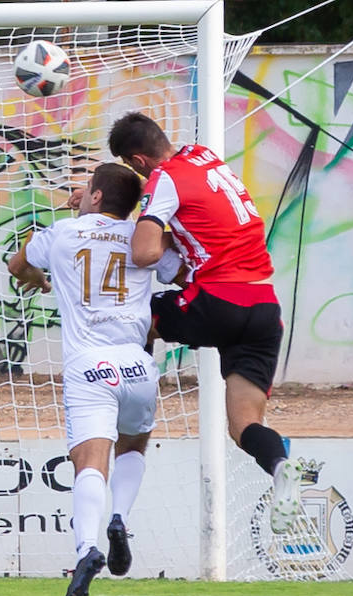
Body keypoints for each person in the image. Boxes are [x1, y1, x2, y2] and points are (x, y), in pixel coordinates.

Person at [107, 111, 303, 533]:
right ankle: (280, 465)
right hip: (264, 306)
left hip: (219, 299)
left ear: (138, 161)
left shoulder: (166, 179)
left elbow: (143, 253)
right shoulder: (206, 157)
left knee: (138, 318)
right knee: (244, 424)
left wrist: (118, 222)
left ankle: (131, 412)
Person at [9, 164, 182, 596]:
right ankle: (121, 517)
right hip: (137, 363)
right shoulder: (144, 239)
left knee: (89, 462)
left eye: (85, 189)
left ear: (97, 197)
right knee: (134, 443)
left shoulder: (63, 232)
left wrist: (38, 276)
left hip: (88, 366)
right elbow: (180, 273)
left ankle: (87, 548)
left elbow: (17, 265)